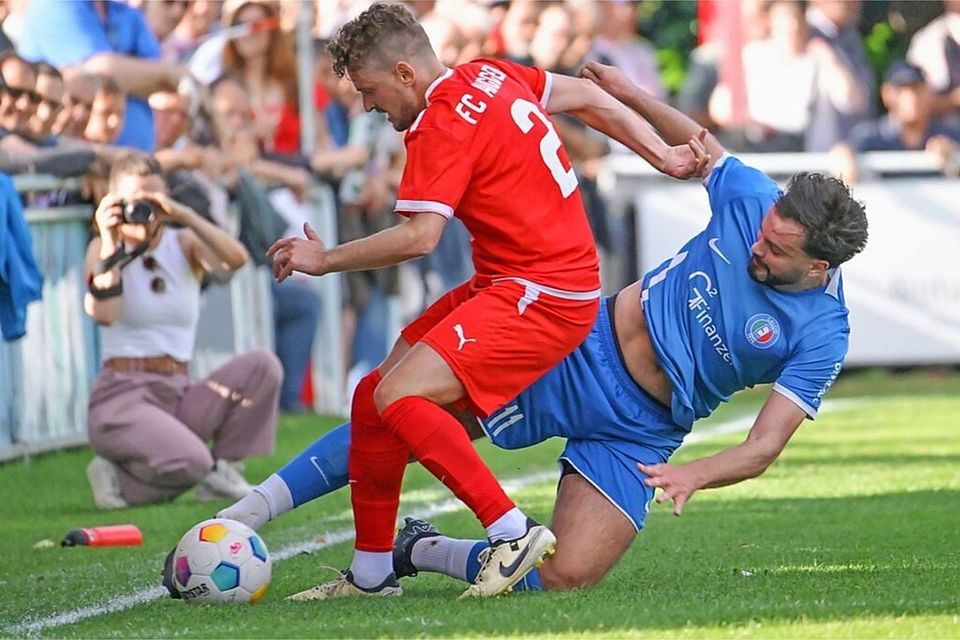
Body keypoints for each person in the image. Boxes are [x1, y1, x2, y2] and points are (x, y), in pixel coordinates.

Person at [174, 59, 868, 597]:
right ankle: (249, 512)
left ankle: (418, 550)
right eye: (765, 233)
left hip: (643, 429)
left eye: (776, 252)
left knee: (567, 576)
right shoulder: (754, 200)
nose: (758, 247)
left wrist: (696, 472)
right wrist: (628, 92)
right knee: (400, 409)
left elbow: (764, 445)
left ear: (818, 267)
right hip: (574, 347)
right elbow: (702, 147)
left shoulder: (823, 334)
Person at [265, 2, 706, 601]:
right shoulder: (488, 73)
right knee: (374, 397)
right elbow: (591, 99)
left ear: (403, 73)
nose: (369, 106)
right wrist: (663, 156)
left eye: (369, 90)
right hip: (524, 281)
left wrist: (325, 259)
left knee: (401, 394)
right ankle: (371, 575)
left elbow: (421, 237)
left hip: (541, 294)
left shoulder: (442, 122)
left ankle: (512, 530)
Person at [84, 153, 281, 510]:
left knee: (263, 366)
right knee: (192, 462)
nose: (144, 210)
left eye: (152, 200)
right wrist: (111, 241)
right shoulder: (103, 249)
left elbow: (236, 260)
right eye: (133, 200)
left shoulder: (182, 242)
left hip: (177, 391)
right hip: (122, 396)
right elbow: (105, 314)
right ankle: (130, 480)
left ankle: (222, 471)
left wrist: (185, 215)